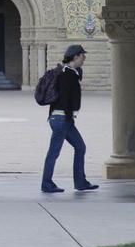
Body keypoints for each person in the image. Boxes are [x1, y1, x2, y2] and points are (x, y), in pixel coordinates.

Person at [41, 44, 99, 194]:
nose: (84, 59)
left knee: (80, 147)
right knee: (54, 152)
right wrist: (69, 117)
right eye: (82, 56)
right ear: (75, 56)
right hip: (62, 119)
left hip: (61, 119)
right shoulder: (66, 74)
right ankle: (46, 184)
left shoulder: (71, 72)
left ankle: (80, 182)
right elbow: (65, 98)